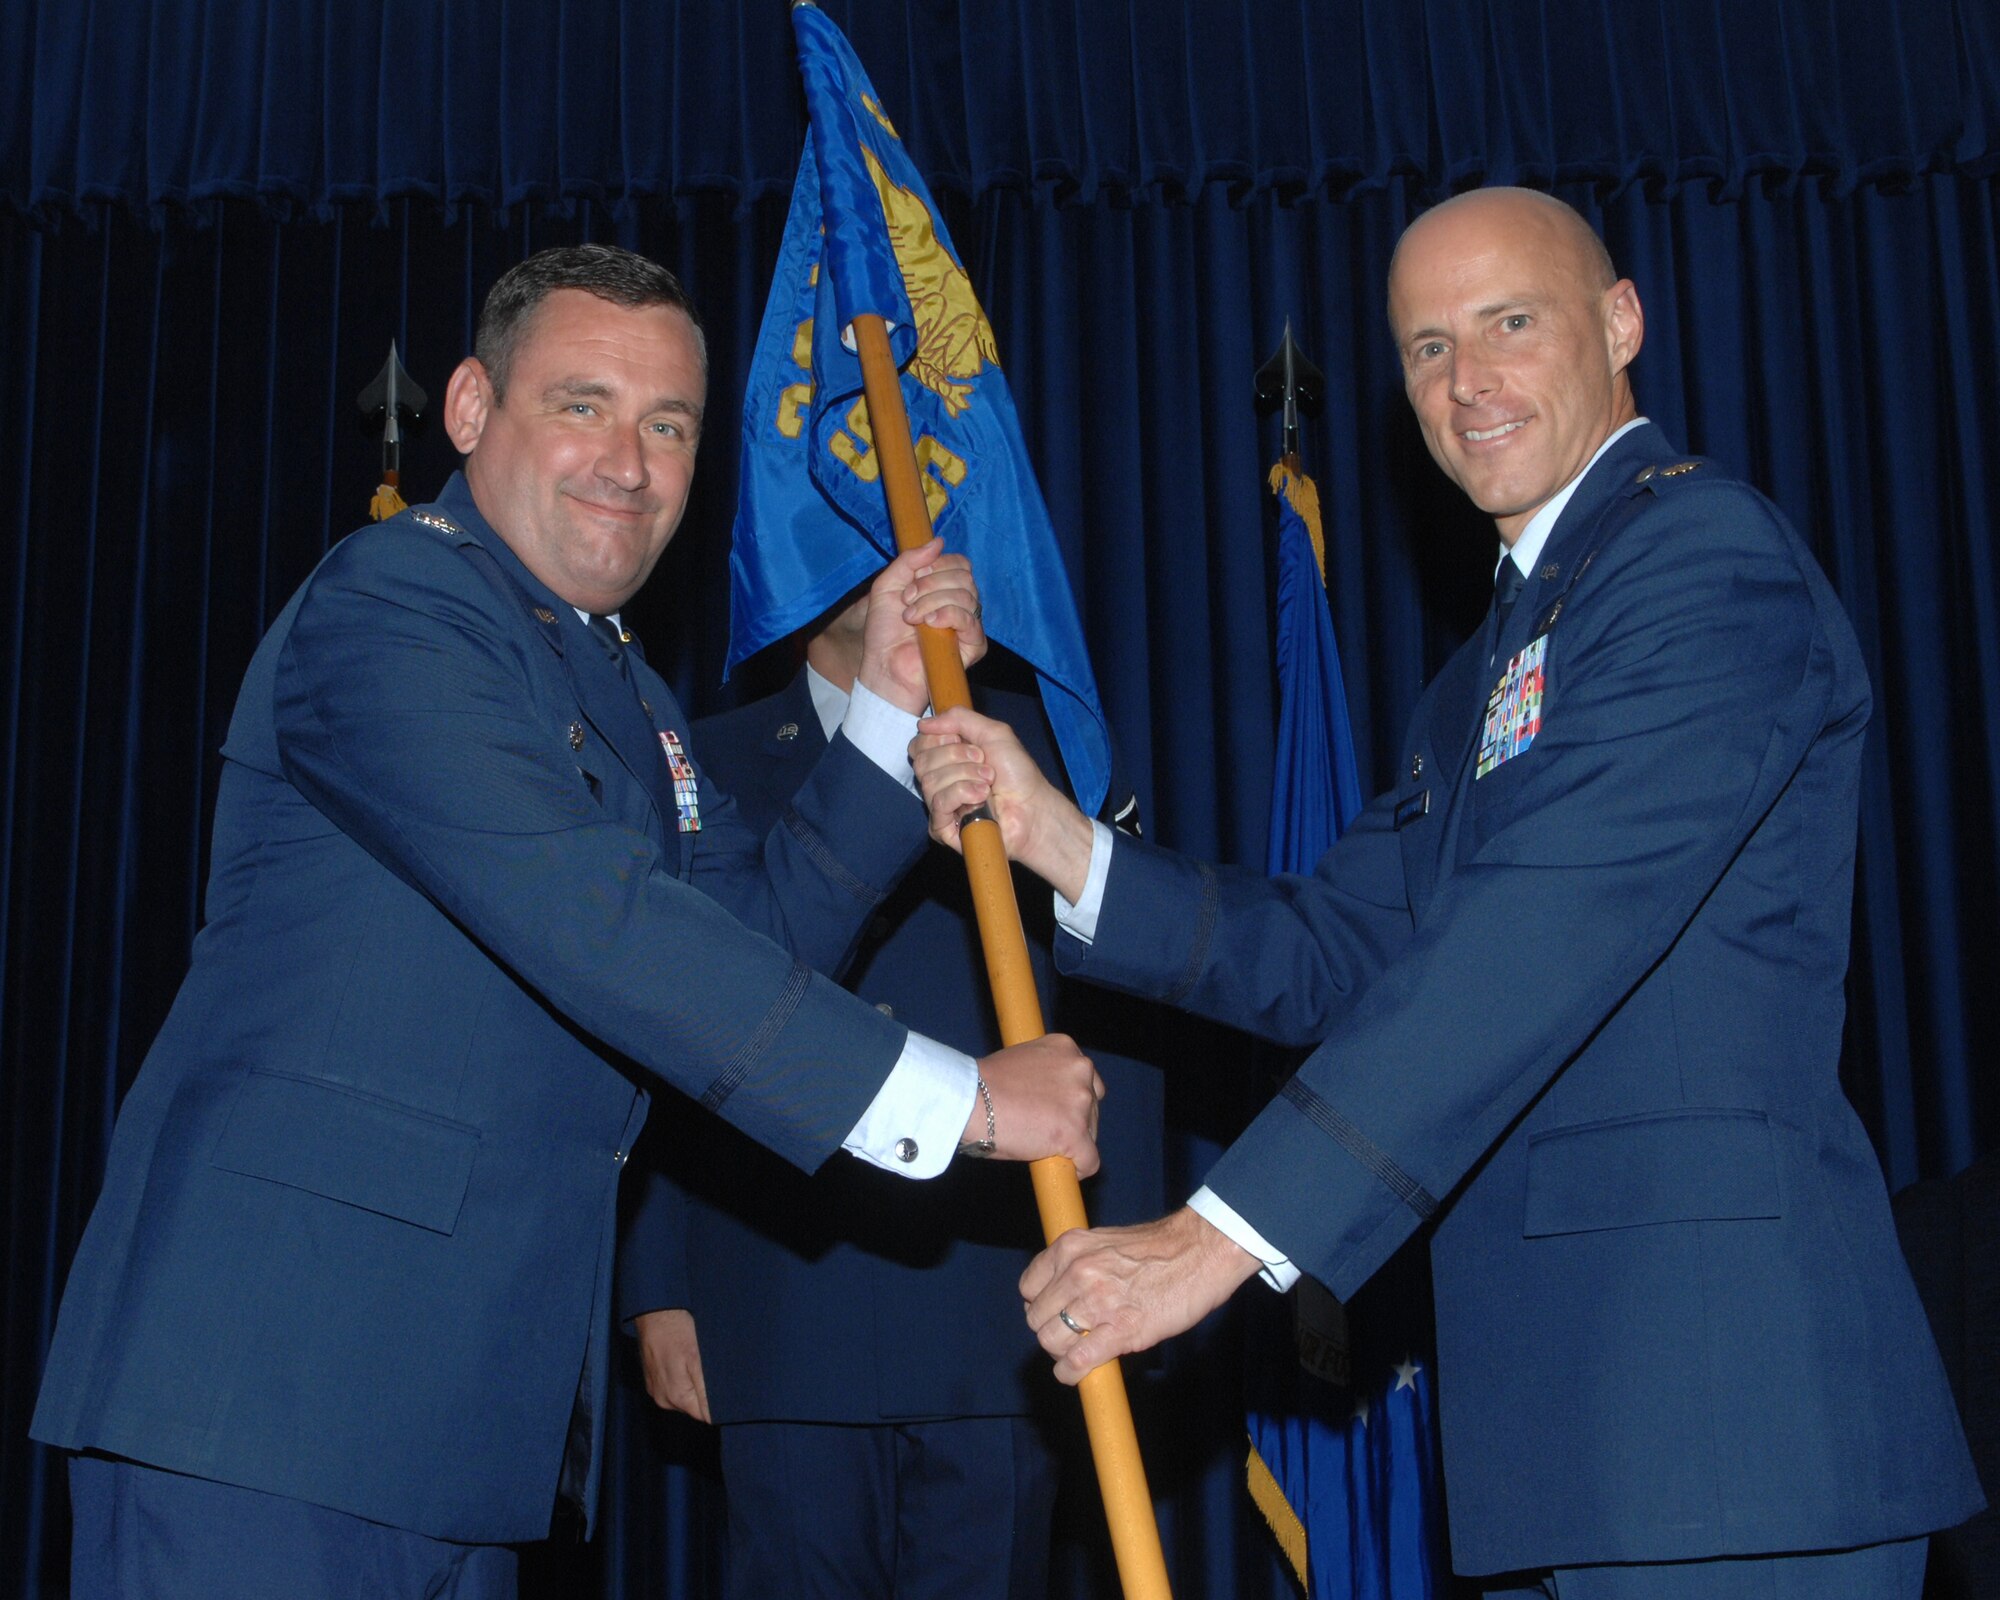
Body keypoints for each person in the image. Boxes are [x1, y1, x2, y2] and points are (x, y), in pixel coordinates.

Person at [913, 189, 1984, 1598]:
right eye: (1427, 347)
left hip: (1725, 1430)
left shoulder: (1699, 559)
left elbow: (1535, 937)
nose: (1466, 379)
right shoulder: (1479, 672)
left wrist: (1217, 1237)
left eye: (1509, 323)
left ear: (1621, 323)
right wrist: (1058, 840)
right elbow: (1338, 947)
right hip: (1560, 1445)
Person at [30, 244, 1104, 1599]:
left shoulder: (631, 697)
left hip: (469, 1430)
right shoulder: (394, 602)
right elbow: (603, 928)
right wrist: (963, 1105)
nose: (628, 462)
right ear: (470, 408)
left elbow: (753, 938)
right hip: (268, 1401)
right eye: (581, 405)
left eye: (669, 425)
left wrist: (888, 707)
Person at [616, 592, 1159, 1600]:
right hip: (778, 1295)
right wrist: (659, 1285)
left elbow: (1127, 1014)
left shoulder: (1040, 748)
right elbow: (655, 1024)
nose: (873, 569)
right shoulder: (697, 754)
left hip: (996, 1302)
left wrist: (1129, 1246)